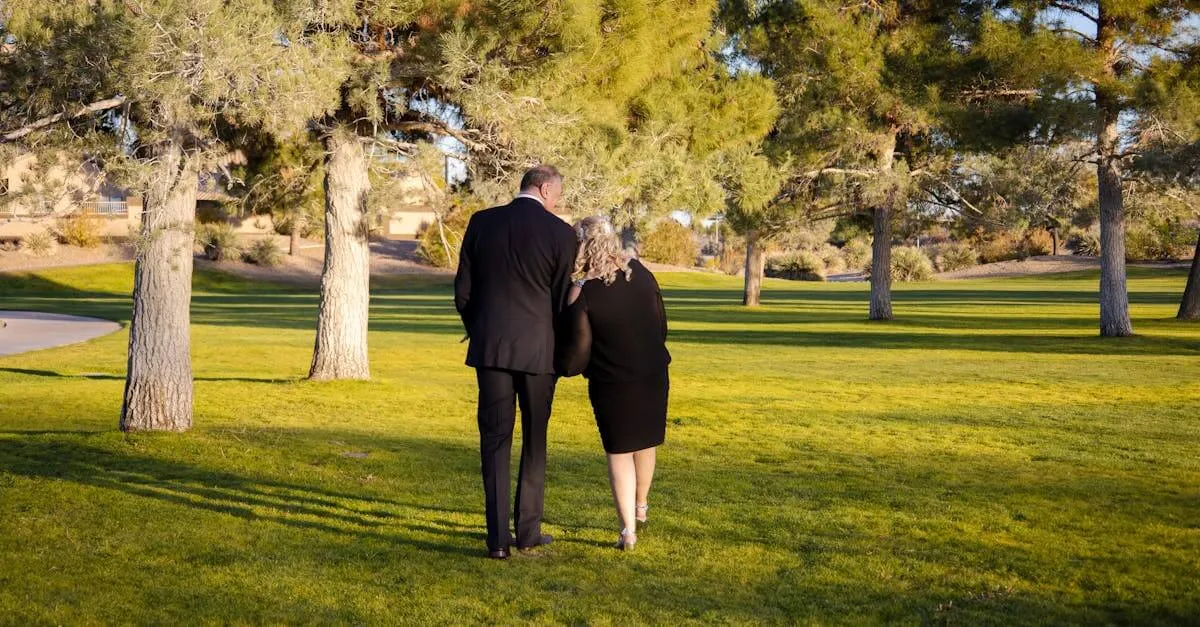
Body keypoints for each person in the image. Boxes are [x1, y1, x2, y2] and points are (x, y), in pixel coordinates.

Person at [454, 165, 579, 560]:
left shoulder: (482, 222)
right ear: (544, 189)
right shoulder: (561, 233)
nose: (557, 201)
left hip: (491, 349)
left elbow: (463, 291)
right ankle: (528, 532)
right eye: (557, 194)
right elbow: (563, 302)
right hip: (540, 352)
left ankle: (497, 541)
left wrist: (480, 328)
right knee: (535, 441)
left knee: (494, 441)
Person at [557, 216, 671, 551]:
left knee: (619, 453)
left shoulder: (581, 290)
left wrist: (563, 367)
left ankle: (627, 532)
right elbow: (661, 325)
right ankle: (641, 507)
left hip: (612, 381)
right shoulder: (643, 274)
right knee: (645, 444)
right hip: (652, 374)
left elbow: (576, 352)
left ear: (582, 247)